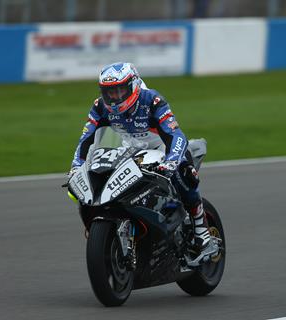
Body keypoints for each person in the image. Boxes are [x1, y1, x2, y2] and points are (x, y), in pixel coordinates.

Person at [69, 62, 216, 259]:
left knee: (183, 171)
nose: (114, 98)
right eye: (109, 92)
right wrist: (76, 165)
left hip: (162, 148)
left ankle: (201, 229)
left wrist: (171, 161)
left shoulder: (152, 101)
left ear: (134, 85)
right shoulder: (100, 107)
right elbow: (86, 138)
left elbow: (176, 135)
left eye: (119, 91)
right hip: (130, 148)